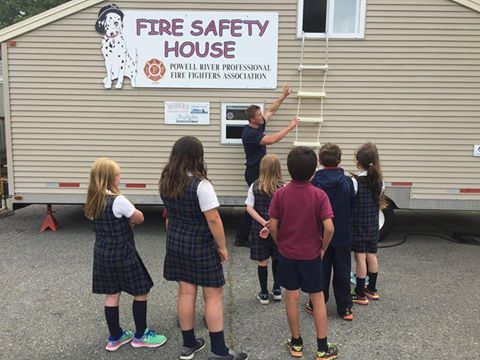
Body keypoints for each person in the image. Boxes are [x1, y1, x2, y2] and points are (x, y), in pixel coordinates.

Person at [159, 136, 248, 360]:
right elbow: (214, 220)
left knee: (186, 292)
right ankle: (218, 351)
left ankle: (189, 344)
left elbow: (169, 214)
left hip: (176, 241)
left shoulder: (166, 179)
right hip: (201, 244)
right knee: (213, 297)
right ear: (198, 156)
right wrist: (223, 247)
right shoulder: (201, 185)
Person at [85, 157, 166, 352]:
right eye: (118, 175)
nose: (120, 178)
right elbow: (139, 217)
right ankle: (141, 334)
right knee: (141, 291)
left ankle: (115, 337)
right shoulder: (118, 200)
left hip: (103, 253)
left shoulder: (92, 200)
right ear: (110, 178)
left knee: (112, 294)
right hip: (123, 253)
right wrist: (131, 219)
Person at [268, 147, 339, 360]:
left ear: (289, 169)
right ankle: (322, 347)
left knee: (292, 296)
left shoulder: (280, 194)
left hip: (288, 254)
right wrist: (323, 248)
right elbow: (329, 228)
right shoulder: (319, 195)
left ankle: (296, 343)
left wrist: (280, 243)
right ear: (313, 171)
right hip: (312, 256)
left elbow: (272, 225)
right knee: (317, 297)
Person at [235, 84, 300, 247]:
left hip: (260, 170)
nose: (262, 116)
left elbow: (271, 110)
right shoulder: (249, 134)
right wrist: (290, 127)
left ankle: (258, 231)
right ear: (252, 119)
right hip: (253, 172)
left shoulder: (258, 124)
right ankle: (242, 238)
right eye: (259, 114)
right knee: (253, 205)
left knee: (257, 204)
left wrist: (284, 95)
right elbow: (271, 140)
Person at [304, 143, 355, 321]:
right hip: (343, 234)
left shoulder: (315, 181)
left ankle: (317, 303)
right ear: (339, 160)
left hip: (320, 235)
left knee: (321, 271)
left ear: (320, 160)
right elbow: (352, 205)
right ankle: (345, 307)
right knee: (343, 271)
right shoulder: (349, 182)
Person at [245, 154, 284, 305]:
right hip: (279, 230)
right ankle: (277, 289)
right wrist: (273, 223)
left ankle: (263, 293)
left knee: (262, 261)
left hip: (259, 229)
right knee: (277, 259)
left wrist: (264, 222)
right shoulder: (283, 188)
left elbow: (249, 208)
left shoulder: (254, 186)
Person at [350, 142, 385, 305]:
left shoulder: (355, 181)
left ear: (358, 162)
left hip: (358, 225)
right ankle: (372, 289)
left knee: (360, 257)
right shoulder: (380, 182)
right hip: (373, 224)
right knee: (372, 255)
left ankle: (359, 293)